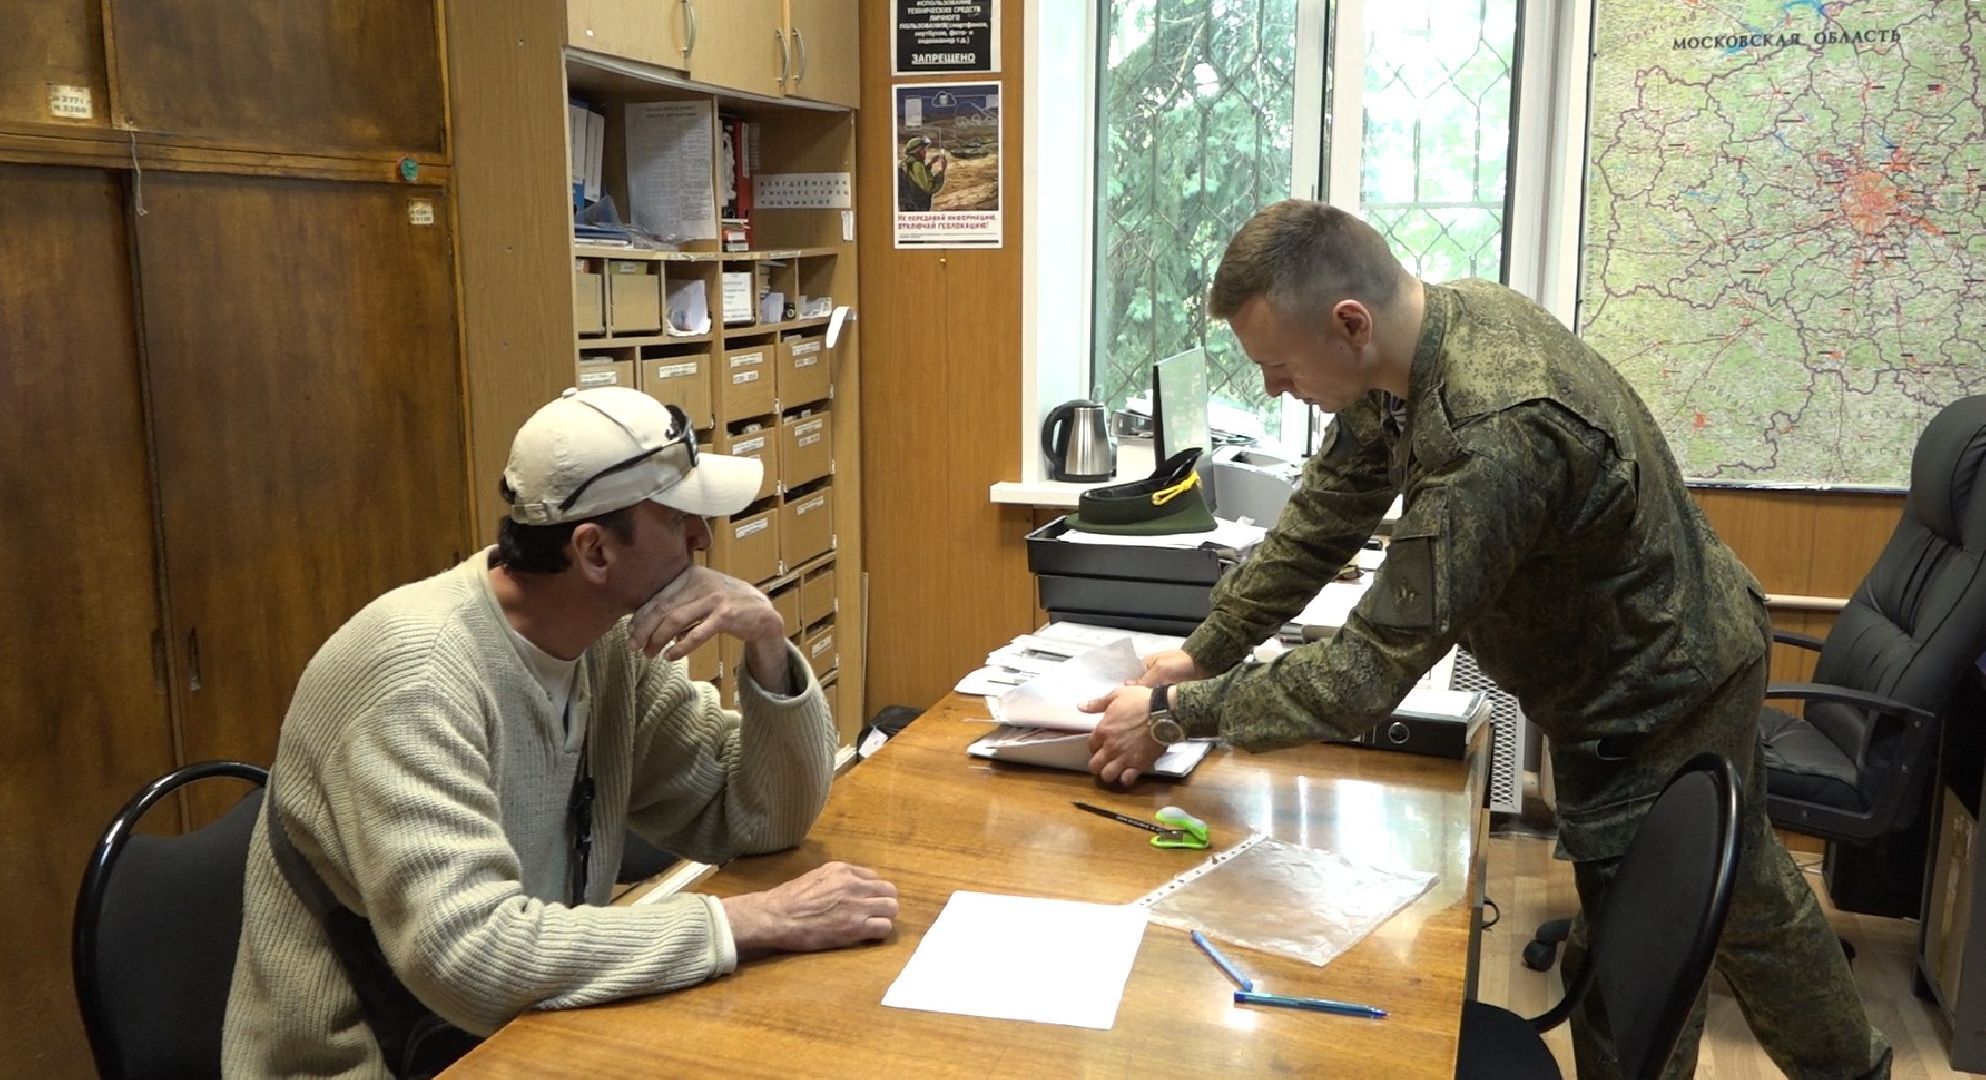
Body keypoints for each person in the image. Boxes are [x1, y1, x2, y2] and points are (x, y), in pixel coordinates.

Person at [1081, 200, 1890, 1079]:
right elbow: (1326, 513)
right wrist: (1209, 647)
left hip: (1658, 687)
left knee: (1632, 968)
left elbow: (1358, 678)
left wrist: (1168, 713)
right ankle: (1857, 1071)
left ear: (1349, 323)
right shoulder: (1406, 352)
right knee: (1746, 894)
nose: (1274, 389)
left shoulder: (1491, 432)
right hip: (1644, 655)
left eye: (1278, 366)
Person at [224, 386, 899, 1077]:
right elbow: (468, 956)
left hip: (521, 1031)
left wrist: (766, 643)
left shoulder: (603, 648)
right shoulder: (416, 677)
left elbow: (756, 819)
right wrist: (752, 922)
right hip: (381, 1059)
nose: (705, 539)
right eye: (680, 520)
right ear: (594, 551)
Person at [897, 135, 950, 213]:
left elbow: (917, 177)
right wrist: (942, 171)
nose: (925, 152)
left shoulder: (906, 163)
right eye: (922, 150)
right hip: (917, 207)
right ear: (916, 152)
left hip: (908, 206)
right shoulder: (917, 165)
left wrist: (931, 163)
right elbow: (929, 188)